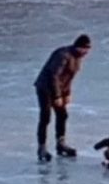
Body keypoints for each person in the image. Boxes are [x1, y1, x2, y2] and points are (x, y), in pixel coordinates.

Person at [34, 34, 92, 162]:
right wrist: (57, 96)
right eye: (85, 49)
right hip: (45, 88)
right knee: (45, 117)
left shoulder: (77, 57)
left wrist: (67, 94)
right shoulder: (63, 55)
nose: (86, 52)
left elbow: (68, 77)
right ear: (79, 47)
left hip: (59, 89)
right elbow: (54, 76)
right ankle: (41, 147)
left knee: (62, 115)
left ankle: (61, 144)